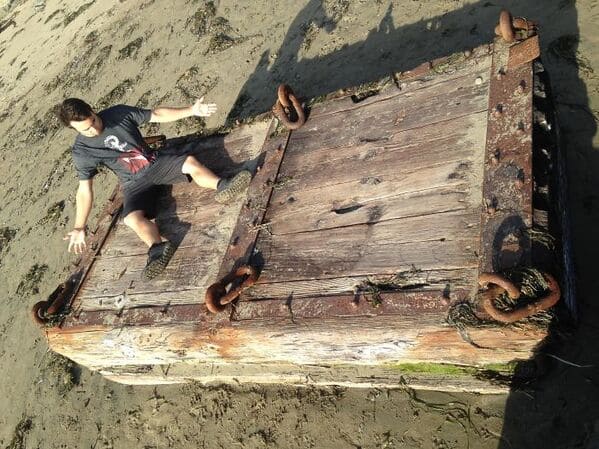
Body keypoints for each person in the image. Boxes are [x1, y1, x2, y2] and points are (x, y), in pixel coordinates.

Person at [57, 97, 251, 280]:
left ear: (92, 110)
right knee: (131, 219)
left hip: (156, 164)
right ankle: (157, 249)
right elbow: (84, 190)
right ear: (74, 130)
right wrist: (79, 226)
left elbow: (156, 114)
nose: (93, 129)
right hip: (133, 183)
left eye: (93, 121)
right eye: (86, 130)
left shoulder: (117, 113)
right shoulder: (82, 152)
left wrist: (192, 110)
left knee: (190, 163)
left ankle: (223, 186)